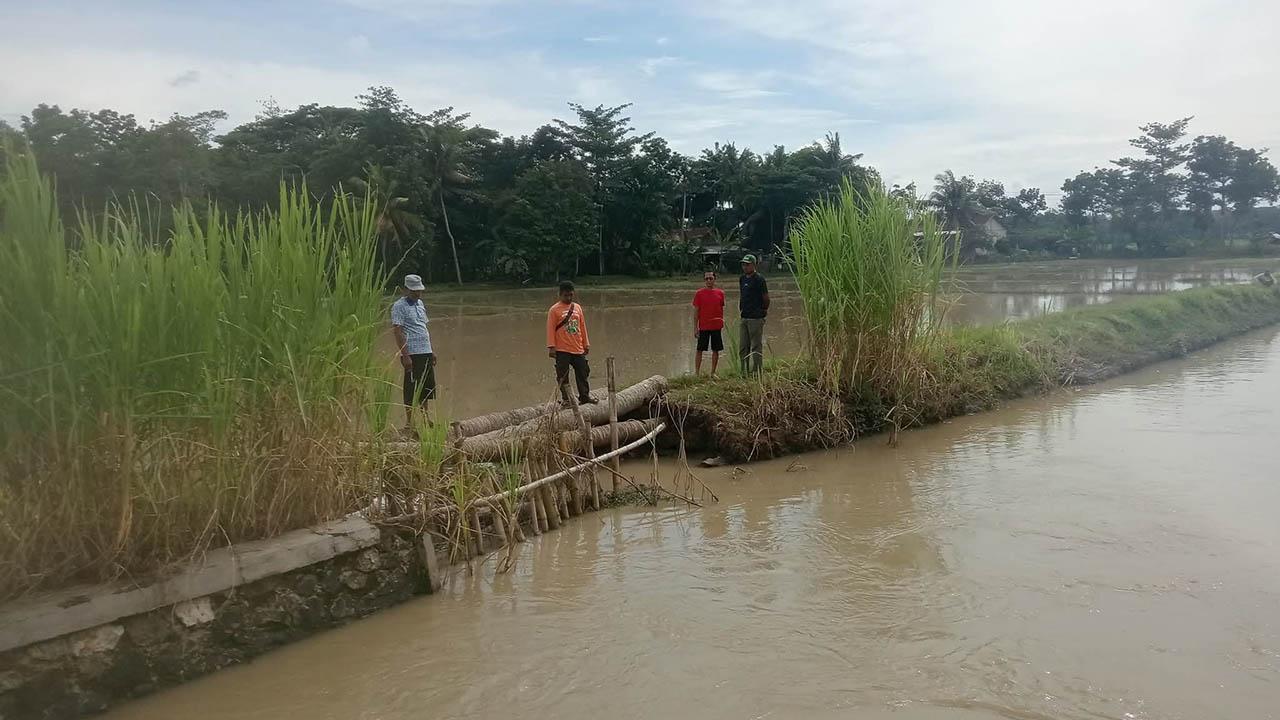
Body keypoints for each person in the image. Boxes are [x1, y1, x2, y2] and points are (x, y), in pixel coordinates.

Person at [390, 274, 435, 431]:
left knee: (425, 386)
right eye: (414, 291)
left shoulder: (420, 304)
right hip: (412, 353)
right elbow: (397, 331)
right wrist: (405, 355)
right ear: (405, 290)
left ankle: (425, 418)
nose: (418, 294)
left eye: (419, 291)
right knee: (411, 388)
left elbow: (423, 327)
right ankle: (409, 423)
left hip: (425, 351)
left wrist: (431, 351)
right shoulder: (398, 306)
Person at [546, 281, 596, 405]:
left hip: (577, 347)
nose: (568, 298)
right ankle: (567, 399)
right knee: (563, 375)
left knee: (583, 372)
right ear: (560, 295)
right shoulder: (554, 310)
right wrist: (551, 347)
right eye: (566, 296)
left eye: (570, 295)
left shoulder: (577, 308)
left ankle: (584, 396)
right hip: (562, 349)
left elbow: (582, 326)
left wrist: (586, 344)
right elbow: (550, 329)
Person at [738, 254, 769, 374]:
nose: (745, 267)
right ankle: (743, 370)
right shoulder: (742, 279)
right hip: (744, 316)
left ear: (754, 265)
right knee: (743, 346)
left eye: (747, 264)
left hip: (756, 318)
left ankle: (757, 370)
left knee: (756, 346)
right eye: (743, 264)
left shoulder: (759, 279)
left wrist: (763, 311)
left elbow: (766, 298)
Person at [692, 270, 726, 376]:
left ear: (714, 279)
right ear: (704, 280)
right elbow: (696, 312)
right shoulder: (699, 294)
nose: (708, 280)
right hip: (704, 326)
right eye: (706, 278)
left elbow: (721, 308)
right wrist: (695, 328)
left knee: (716, 350)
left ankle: (713, 372)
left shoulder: (720, 293)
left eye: (710, 278)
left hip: (716, 326)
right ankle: (697, 373)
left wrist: (721, 322)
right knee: (700, 349)